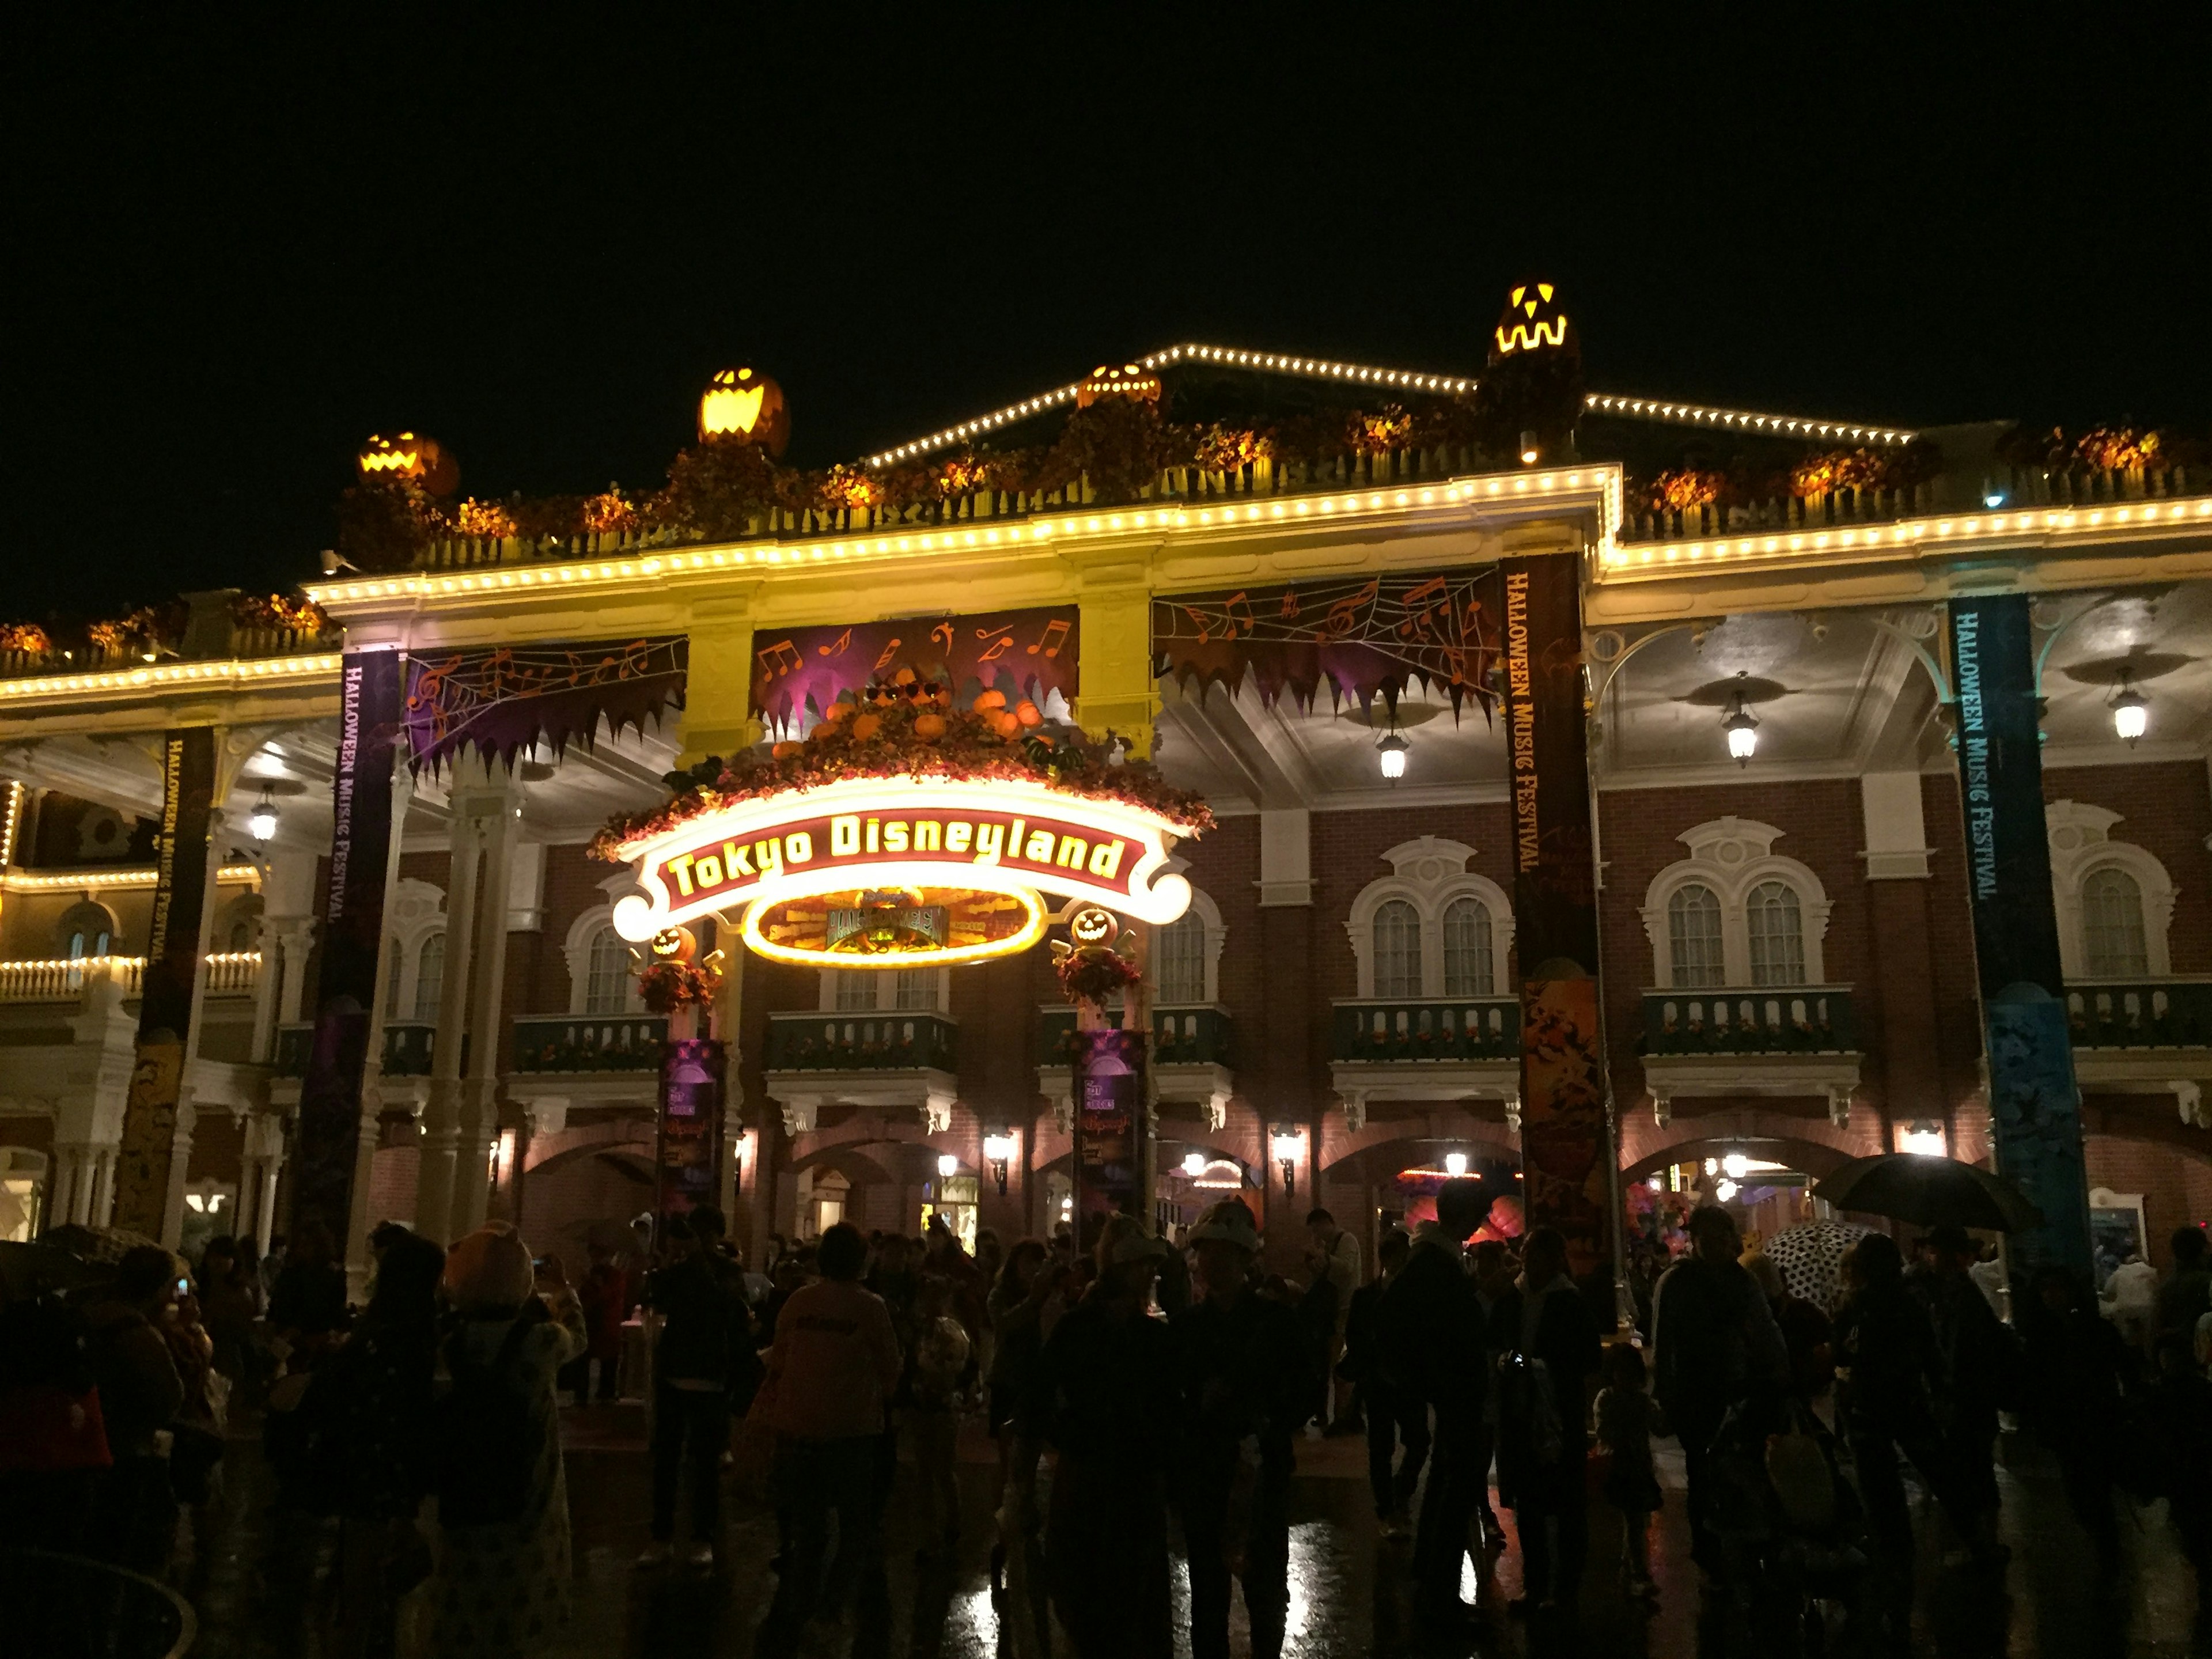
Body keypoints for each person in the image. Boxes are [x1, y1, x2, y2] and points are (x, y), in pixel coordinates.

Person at [1016, 1214, 1177, 1659]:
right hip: (1102, 1478)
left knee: (1109, 1602)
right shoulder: (1095, 1331)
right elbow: (1039, 1401)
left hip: (1116, 1478)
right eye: (1141, 1264)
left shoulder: (1127, 1333)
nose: (1149, 1274)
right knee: (1106, 1601)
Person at [429, 1221, 585, 1658]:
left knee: (464, 1602)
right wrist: (564, 1290)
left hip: (463, 1497)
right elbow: (580, 1338)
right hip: (530, 1494)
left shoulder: (448, 1344)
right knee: (523, 1611)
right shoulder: (542, 1342)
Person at [753, 1221, 903, 1658]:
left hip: (797, 1427)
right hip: (852, 1431)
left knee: (809, 1530)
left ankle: (796, 1614)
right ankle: (831, 1610)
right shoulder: (869, 1307)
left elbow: (778, 1359)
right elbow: (891, 1370)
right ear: (861, 1261)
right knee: (856, 1528)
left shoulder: (799, 1302)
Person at [1175, 1199, 1312, 1659]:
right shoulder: (1187, 1327)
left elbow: (1304, 1390)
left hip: (1262, 1472)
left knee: (1265, 1591)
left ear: (1245, 1258)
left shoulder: (1276, 1323)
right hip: (1205, 1471)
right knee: (1208, 1595)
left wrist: (1268, 1419)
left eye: (1222, 1252)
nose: (1211, 1262)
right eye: (1206, 1252)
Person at [1832, 1232, 1995, 1582]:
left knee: (1880, 1486)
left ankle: (1894, 1553)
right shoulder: (1907, 1303)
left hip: (1869, 1407)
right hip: (1908, 1400)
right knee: (1941, 1472)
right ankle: (1977, 1540)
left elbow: (1841, 1353)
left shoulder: (1856, 1305)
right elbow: (1931, 1354)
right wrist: (1941, 1392)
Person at [315, 1232, 444, 1659]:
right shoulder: (418, 1336)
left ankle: (350, 1637)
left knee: (359, 1572)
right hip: (391, 1469)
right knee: (380, 1576)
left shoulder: (377, 1329)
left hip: (361, 1465)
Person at [1650, 1206, 1787, 1576]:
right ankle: (1710, 1554)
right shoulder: (1676, 1282)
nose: (1714, 1246)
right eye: (1705, 1239)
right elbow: (1664, 1345)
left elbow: (1765, 1329)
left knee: (1746, 1471)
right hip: (1696, 1395)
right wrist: (1665, 1397)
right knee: (1702, 1474)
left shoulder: (1743, 1281)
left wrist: (1777, 1371)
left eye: (1719, 1238)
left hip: (1741, 1391)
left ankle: (1745, 1548)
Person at [1377, 1187, 1488, 1637]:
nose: (1480, 1223)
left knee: (1446, 1487)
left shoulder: (1429, 1260)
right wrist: (1431, 1378)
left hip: (1447, 1392)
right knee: (1452, 1491)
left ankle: (1431, 1583)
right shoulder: (1435, 1265)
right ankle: (1438, 1599)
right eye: (1478, 1215)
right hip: (1454, 1393)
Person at [1491, 1225, 1603, 1620]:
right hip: (1520, 1412)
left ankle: (1564, 1588)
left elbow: (1587, 1358)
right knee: (1529, 1505)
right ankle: (1536, 1584)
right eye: (1526, 1254)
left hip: (1558, 1414)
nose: (1529, 1263)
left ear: (1555, 1261)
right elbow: (1496, 1342)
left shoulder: (1569, 1302)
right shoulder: (1513, 1295)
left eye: (1536, 1256)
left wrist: (1538, 1366)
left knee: (1566, 1504)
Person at [638, 1207, 751, 1570]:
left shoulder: (726, 1271)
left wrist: (697, 1262)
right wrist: (666, 1266)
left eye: (704, 1234)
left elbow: (723, 1307)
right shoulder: (679, 1269)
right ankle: (661, 1536)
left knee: (705, 1464)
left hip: (711, 1375)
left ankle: (703, 1537)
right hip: (674, 1373)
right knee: (666, 1459)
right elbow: (654, 1299)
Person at [2019, 1263, 2130, 1573]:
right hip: (2072, 1422)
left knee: (2091, 1486)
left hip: (2092, 1418)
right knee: (2082, 1489)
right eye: (2046, 1289)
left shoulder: (2085, 1330)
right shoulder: (2042, 1336)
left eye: (2057, 1288)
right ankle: (2105, 1541)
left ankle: (2106, 1545)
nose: (2051, 1295)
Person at [81, 1245, 186, 1573]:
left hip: (83, 1447)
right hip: (127, 1451)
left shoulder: (86, 1318)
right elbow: (170, 1398)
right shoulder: (139, 1335)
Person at [1914, 1224, 2020, 1547]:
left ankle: (1983, 1541)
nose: (1930, 1259)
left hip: (1967, 1397)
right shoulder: (1954, 1291)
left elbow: (1960, 1351)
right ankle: (1983, 1539)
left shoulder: (1960, 1295)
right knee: (1976, 1468)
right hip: (1970, 1397)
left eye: (1935, 1252)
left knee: (1972, 1469)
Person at [1342, 1229, 1427, 1537]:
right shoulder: (1368, 1296)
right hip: (1381, 1381)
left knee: (1415, 1441)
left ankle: (1397, 1495)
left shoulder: (1407, 1295)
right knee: (1384, 1446)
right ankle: (1388, 1507)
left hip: (1404, 1381)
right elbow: (1355, 1337)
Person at [907, 1272, 972, 1557]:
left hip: (942, 1403)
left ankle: (948, 1525)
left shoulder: (951, 1331)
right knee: (927, 1470)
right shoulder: (927, 1330)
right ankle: (932, 1531)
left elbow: (957, 1367)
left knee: (940, 1469)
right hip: (927, 1403)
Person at [1593, 1342, 1663, 1600]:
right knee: (1635, 1521)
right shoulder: (1634, 1401)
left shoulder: (1609, 1398)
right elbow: (1659, 1426)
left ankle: (1631, 1568)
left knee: (1634, 1521)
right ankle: (1638, 1573)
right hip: (1627, 1467)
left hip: (1629, 1466)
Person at [1305, 1207, 1361, 1433]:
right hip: (1332, 1311)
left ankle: (1343, 1416)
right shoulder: (1328, 1246)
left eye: (1317, 1228)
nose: (1317, 1234)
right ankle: (1334, 1415)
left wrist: (1325, 1258)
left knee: (1339, 1365)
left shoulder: (1347, 1241)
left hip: (1345, 1309)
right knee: (1330, 1363)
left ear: (1326, 1222)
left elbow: (1347, 1270)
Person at [574, 1241, 627, 1404]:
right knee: (583, 1360)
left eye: (597, 1255)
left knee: (609, 1362)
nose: (594, 1259)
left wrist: (599, 1286)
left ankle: (606, 1395)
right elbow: (585, 1299)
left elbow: (611, 1297)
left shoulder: (615, 1275)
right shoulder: (592, 1273)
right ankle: (581, 1395)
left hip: (607, 1325)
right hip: (591, 1324)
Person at [2159, 1225, 2211, 1355]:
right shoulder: (2207, 1281)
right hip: (2204, 1352)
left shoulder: (2166, 1285)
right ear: (2203, 1249)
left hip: (2177, 1354)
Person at [2102, 1245, 2160, 1353]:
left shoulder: (2119, 1273)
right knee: (2149, 1342)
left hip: (2125, 1310)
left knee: (2128, 1342)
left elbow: (2107, 1292)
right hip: (2148, 1310)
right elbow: (2158, 1292)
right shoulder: (2151, 1272)